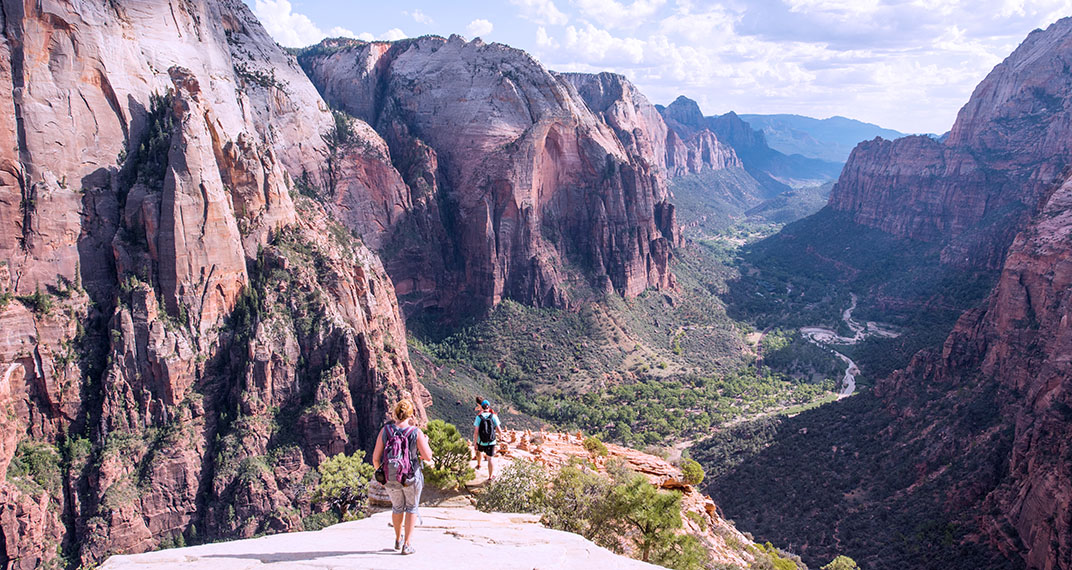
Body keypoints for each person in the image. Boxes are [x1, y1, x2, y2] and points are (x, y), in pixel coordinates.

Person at [372, 399, 433, 555]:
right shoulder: (415, 432)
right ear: (411, 414)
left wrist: (382, 475)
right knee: (412, 507)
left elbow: (375, 458)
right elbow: (427, 457)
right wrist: (425, 442)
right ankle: (407, 544)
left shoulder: (385, 431)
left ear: (395, 413)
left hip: (390, 478)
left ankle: (398, 539)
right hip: (411, 477)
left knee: (397, 507)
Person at [472, 399, 504, 480]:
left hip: (480, 441)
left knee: (479, 452)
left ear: (482, 407)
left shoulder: (478, 417)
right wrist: (501, 437)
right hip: (491, 441)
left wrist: (475, 442)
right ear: (488, 407)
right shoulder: (494, 416)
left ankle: (479, 464)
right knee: (490, 458)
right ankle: (490, 476)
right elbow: (499, 429)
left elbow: (476, 432)